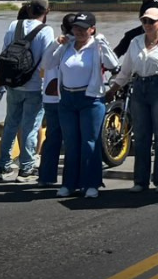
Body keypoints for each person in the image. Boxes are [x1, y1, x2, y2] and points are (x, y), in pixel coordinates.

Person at [44, 12, 119, 199]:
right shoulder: (66, 46)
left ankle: (91, 183)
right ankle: (69, 184)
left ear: (92, 29)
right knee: (71, 142)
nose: (79, 31)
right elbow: (47, 63)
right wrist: (56, 43)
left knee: (89, 142)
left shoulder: (97, 46)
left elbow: (113, 64)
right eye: (76, 27)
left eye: (83, 28)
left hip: (90, 99)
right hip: (67, 99)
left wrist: (103, 44)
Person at [107, 7, 158, 193]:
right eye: (145, 21)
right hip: (139, 87)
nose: (147, 25)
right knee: (140, 136)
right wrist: (113, 89)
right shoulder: (135, 42)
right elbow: (126, 71)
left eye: (152, 21)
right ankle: (140, 181)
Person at [0, 0, 56, 181]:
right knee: (30, 126)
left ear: (29, 10)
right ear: (46, 12)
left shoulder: (14, 25)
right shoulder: (47, 31)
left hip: (13, 83)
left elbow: (4, 53)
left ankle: (3, 167)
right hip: (35, 86)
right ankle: (26, 169)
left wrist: (0, 81)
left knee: (10, 124)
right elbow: (48, 60)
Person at [36, 13, 79, 187]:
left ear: (62, 28)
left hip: (51, 98)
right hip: (70, 96)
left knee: (52, 137)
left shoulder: (57, 43)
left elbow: (44, 66)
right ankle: (72, 179)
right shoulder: (79, 44)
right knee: (73, 138)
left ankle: (46, 176)